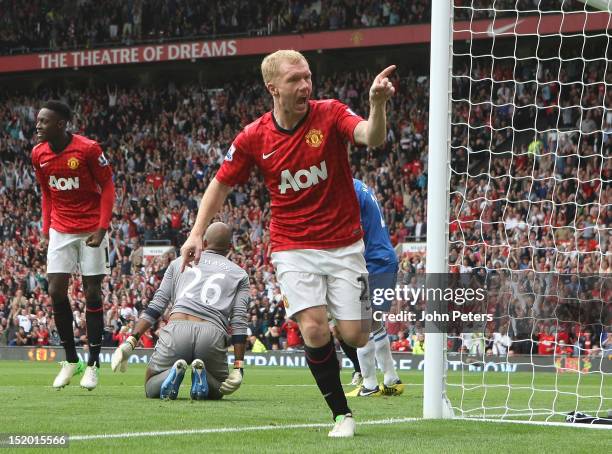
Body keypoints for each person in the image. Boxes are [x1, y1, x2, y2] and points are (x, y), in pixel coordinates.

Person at [179, 49, 396, 437]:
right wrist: (197, 232)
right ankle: (341, 415)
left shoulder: (329, 113)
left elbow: (370, 136)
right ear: (273, 88)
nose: (305, 85)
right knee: (313, 329)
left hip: (346, 245)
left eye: (307, 77)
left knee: (356, 334)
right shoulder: (253, 137)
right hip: (292, 246)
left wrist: (376, 105)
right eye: (295, 79)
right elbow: (221, 184)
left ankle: (354, 349)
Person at [111, 222, 249, 401]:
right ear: (230, 247)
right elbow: (239, 322)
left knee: (151, 384)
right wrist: (238, 367)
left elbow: (156, 305)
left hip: (178, 328)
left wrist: (131, 341)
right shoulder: (240, 274)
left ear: (204, 242)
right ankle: (202, 376)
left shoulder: (179, 262)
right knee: (219, 389)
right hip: (212, 332)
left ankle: (172, 373)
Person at [32, 100, 115, 390]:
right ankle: (71, 360)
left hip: (91, 228)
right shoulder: (38, 154)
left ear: (61, 124)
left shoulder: (88, 149)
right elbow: (46, 192)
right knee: (55, 290)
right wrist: (46, 228)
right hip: (60, 229)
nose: (38, 125)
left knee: (93, 293)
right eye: (38, 120)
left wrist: (103, 228)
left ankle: (93, 364)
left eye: (44, 121)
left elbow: (108, 186)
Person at [342, 179, 404, 397]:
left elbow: (353, 230)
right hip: (380, 259)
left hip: (372, 262)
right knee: (374, 322)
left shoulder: (347, 189)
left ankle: (369, 384)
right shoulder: (359, 185)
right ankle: (391, 378)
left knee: (362, 324)